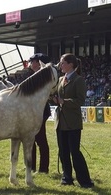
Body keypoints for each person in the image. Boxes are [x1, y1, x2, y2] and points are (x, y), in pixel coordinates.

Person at [52, 53, 94, 188]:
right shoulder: (59, 80)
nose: (60, 65)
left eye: (63, 63)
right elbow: (56, 95)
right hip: (60, 122)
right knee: (63, 151)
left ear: (71, 64)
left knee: (74, 152)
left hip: (72, 122)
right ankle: (67, 178)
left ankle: (85, 181)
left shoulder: (78, 80)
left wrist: (64, 101)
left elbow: (80, 100)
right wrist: (52, 98)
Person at [26, 53, 51, 173]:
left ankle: (43, 168)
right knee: (31, 140)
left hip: (40, 112)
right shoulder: (35, 75)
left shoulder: (43, 77)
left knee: (40, 140)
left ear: (38, 62)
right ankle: (31, 166)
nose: (30, 64)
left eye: (32, 61)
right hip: (33, 111)